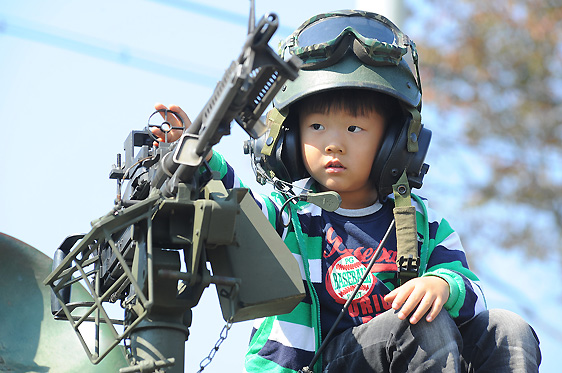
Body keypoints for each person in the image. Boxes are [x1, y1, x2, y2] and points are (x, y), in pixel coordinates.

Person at [155, 10, 541, 373]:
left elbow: (470, 290)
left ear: (392, 143)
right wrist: (196, 152)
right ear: (290, 141)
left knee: (510, 329)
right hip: (321, 364)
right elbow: (237, 204)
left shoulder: (422, 224)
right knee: (420, 328)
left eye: (354, 130)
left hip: (401, 355)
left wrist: (442, 284)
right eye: (317, 128)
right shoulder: (289, 215)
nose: (333, 144)